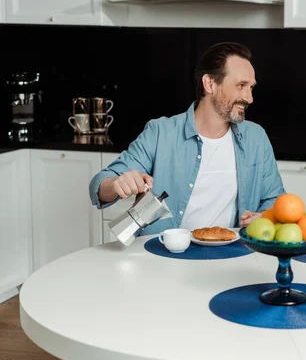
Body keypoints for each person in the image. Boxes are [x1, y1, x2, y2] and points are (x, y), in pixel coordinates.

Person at [89, 42, 285, 235]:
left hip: (230, 254)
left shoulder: (255, 138)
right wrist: (116, 184)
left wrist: (265, 216)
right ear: (210, 84)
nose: (249, 98)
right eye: (241, 85)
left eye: (251, 87)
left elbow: (275, 201)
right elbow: (99, 184)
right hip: (163, 254)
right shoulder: (160, 132)